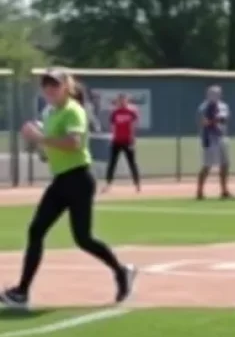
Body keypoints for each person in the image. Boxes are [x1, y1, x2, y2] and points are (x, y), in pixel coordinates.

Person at [1, 69, 135, 310]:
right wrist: (37, 142)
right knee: (36, 230)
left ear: (66, 87)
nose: (49, 89)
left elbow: (73, 143)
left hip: (79, 179)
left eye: (54, 84)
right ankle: (21, 292)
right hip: (61, 179)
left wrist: (40, 138)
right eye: (46, 85)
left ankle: (121, 271)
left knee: (83, 239)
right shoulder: (49, 112)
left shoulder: (74, 110)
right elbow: (48, 153)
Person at [197, 85, 232, 200]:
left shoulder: (223, 106)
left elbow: (226, 118)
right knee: (208, 165)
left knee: (225, 164)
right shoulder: (204, 107)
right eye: (213, 93)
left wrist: (219, 119)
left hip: (222, 136)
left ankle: (224, 190)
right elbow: (204, 122)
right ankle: (200, 191)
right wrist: (214, 120)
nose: (215, 96)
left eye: (217, 93)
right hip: (210, 138)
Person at [105, 93, 141, 192]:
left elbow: (134, 125)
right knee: (112, 163)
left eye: (123, 100)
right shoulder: (115, 112)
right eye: (120, 100)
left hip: (128, 141)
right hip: (116, 141)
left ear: (127, 100)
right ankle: (108, 184)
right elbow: (112, 126)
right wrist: (112, 138)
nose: (121, 102)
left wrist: (133, 139)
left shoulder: (132, 111)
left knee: (132, 163)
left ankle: (137, 185)